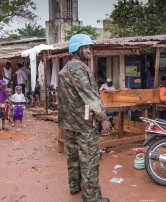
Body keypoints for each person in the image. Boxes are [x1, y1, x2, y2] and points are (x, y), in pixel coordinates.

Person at [58, 34, 110, 202]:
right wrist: (103, 118)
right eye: (85, 48)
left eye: (89, 47)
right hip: (84, 124)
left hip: (70, 122)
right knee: (89, 159)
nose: (88, 50)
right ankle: (92, 197)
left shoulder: (65, 69)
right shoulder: (79, 68)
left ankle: (75, 186)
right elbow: (89, 95)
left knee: (72, 157)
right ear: (76, 49)